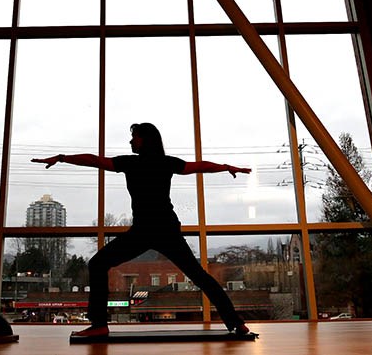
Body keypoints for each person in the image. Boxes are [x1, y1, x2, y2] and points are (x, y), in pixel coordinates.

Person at [32, 122, 254, 338]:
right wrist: (225, 167)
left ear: (145, 139)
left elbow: (95, 161)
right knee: (199, 276)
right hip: (159, 229)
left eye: (134, 136)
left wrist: (62, 158)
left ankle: (99, 325)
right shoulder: (164, 163)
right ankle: (236, 323)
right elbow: (199, 166)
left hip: (153, 230)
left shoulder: (133, 163)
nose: (131, 140)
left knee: (99, 264)